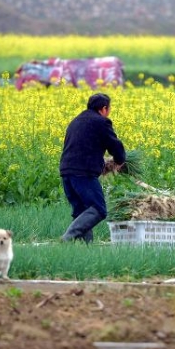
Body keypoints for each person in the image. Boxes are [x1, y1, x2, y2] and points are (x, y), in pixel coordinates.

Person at [59, 93, 126, 243]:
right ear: (104, 109)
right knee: (98, 209)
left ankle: (87, 249)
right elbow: (115, 145)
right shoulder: (101, 122)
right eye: (109, 109)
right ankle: (67, 238)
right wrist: (120, 160)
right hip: (83, 173)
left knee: (82, 212)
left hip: (66, 172)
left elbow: (82, 146)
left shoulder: (75, 121)